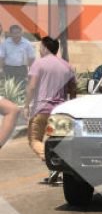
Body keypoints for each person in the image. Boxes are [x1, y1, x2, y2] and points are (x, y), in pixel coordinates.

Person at [25, 37, 76, 185]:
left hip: (41, 109)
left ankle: (51, 163)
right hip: (60, 110)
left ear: (46, 48)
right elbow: (72, 90)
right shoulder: (67, 66)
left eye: (40, 47)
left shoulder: (38, 64)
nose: (39, 50)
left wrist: (26, 105)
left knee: (34, 140)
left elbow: (32, 86)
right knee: (59, 141)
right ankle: (56, 164)